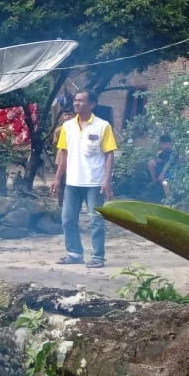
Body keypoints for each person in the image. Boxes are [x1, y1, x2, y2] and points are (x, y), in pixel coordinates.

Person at [52, 89, 117, 269]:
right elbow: (63, 154)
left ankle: (97, 256)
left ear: (92, 104)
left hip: (94, 182)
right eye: (75, 101)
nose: (76, 103)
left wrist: (107, 180)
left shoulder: (102, 126)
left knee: (95, 221)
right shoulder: (67, 127)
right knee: (67, 219)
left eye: (81, 101)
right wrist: (58, 179)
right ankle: (74, 253)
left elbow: (109, 154)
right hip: (72, 181)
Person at [147, 134, 175, 200]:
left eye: (166, 144)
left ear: (170, 144)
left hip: (170, 171)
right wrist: (157, 156)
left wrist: (162, 174)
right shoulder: (162, 153)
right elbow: (158, 160)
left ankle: (169, 199)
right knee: (151, 162)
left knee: (165, 183)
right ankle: (155, 183)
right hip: (161, 169)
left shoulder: (172, 153)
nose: (165, 146)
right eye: (163, 144)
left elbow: (168, 164)